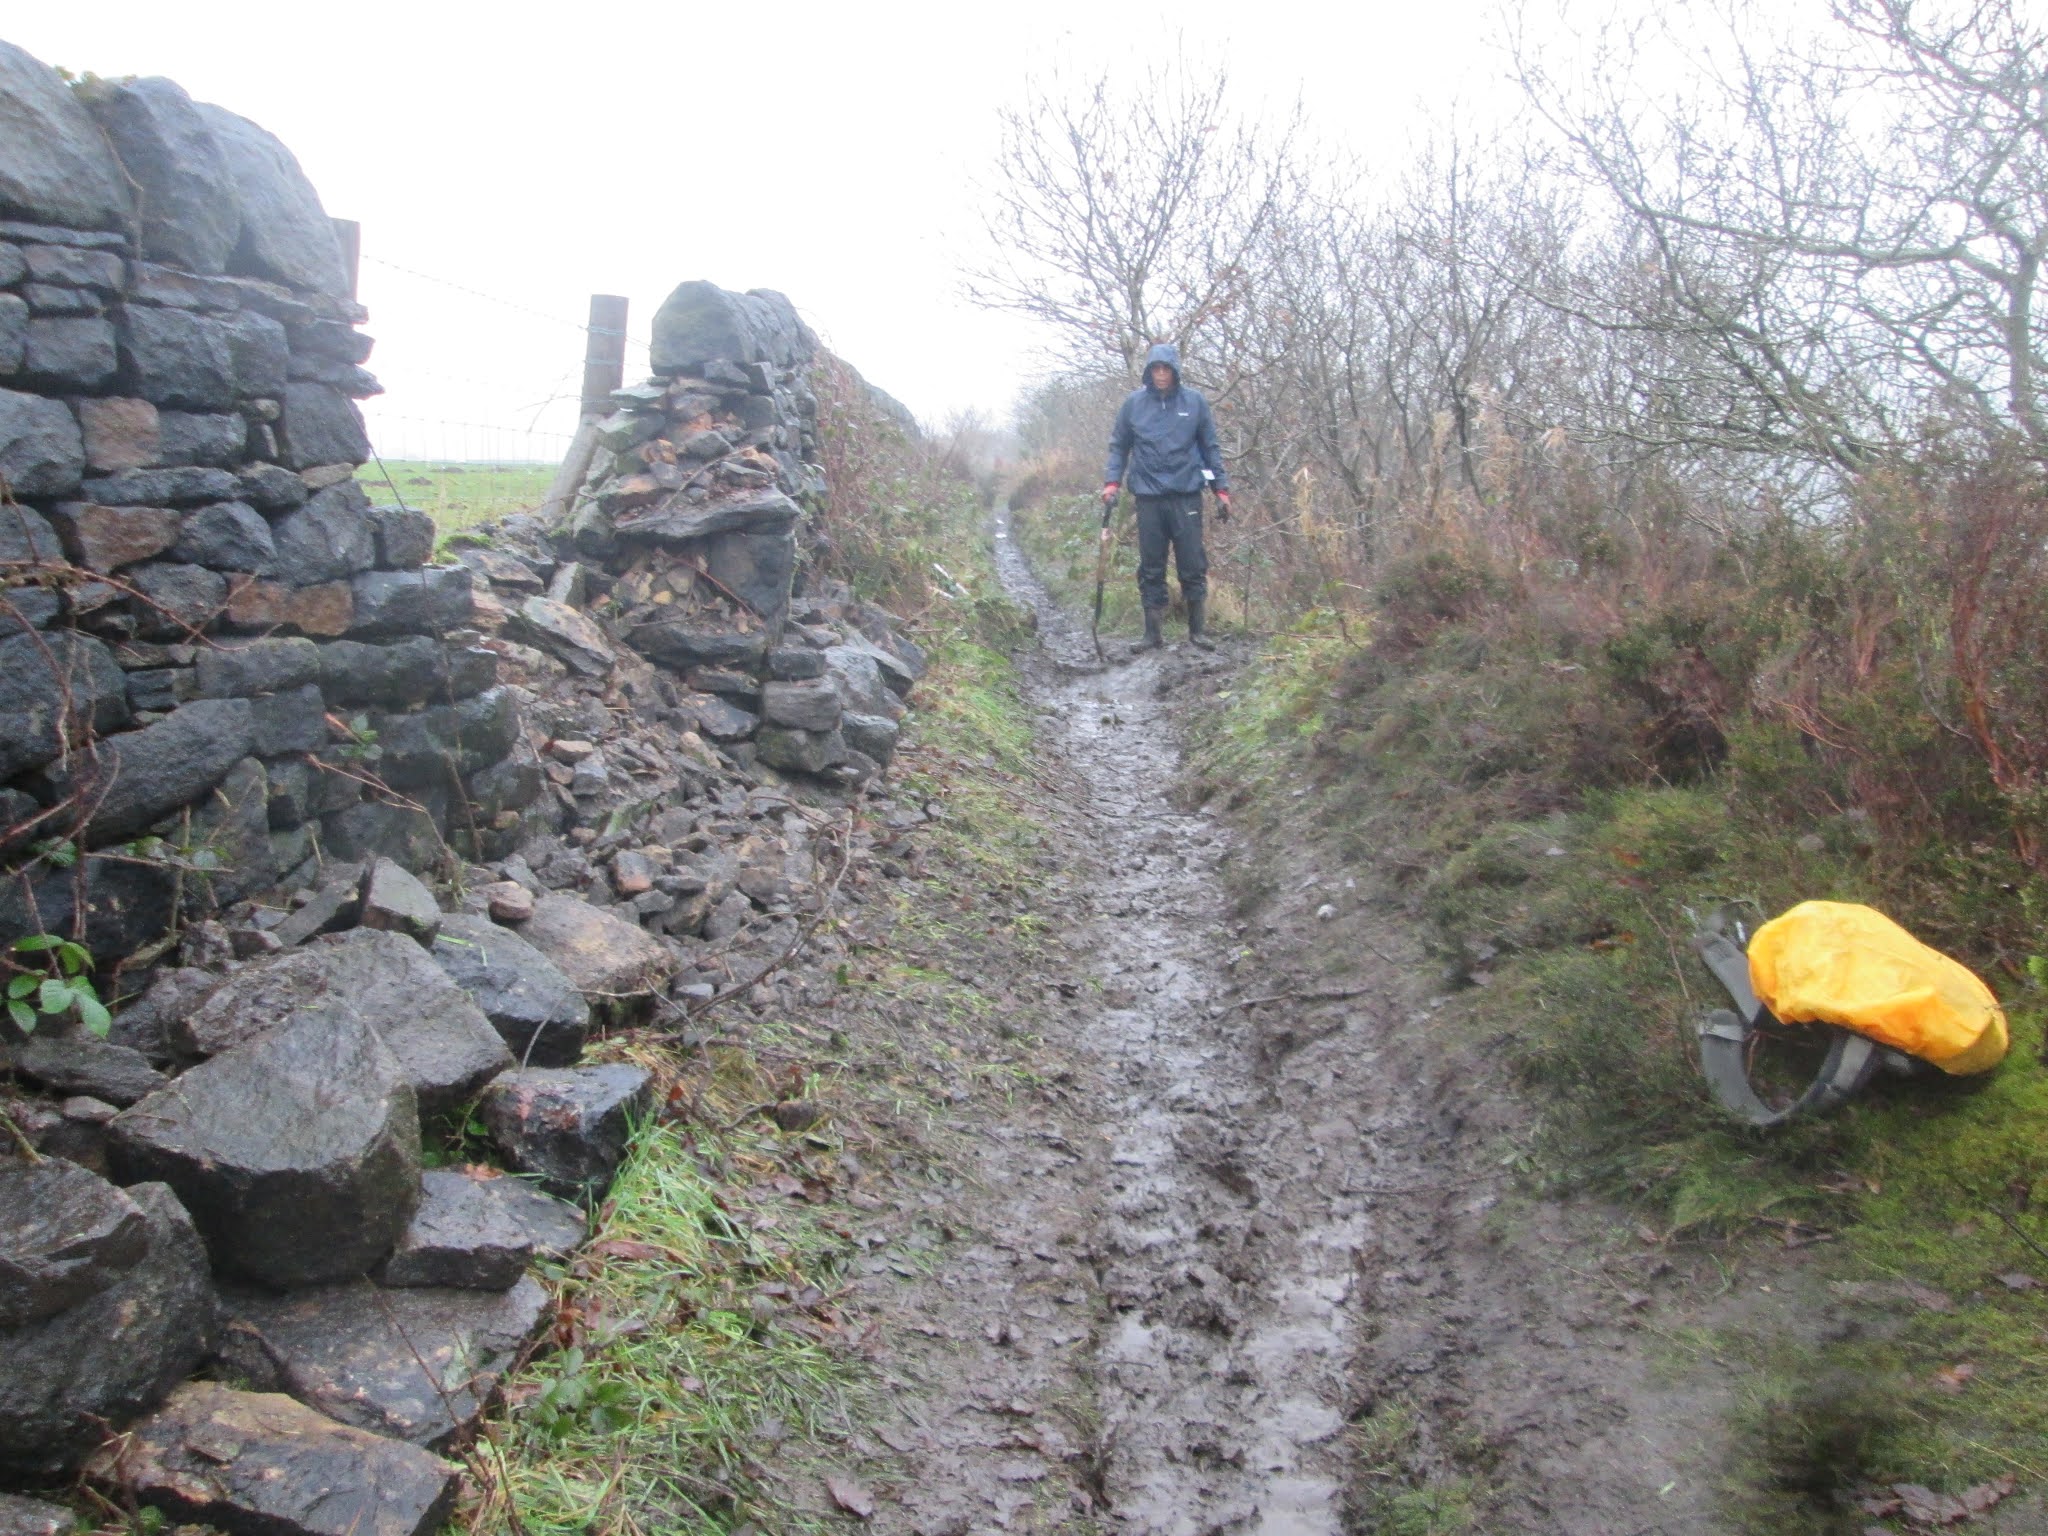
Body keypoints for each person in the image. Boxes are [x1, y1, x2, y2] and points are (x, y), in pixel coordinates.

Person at [1102, 342, 1231, 651]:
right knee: (1150, 566)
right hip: (1148, 497)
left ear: (1175, 371)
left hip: (1186, 494)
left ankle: (1197, 632)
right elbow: (1119, 446)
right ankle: (1152, 634)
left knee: (1192, 563)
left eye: (1166, 369)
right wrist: (1112, 483)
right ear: (1149, 372)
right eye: (1156, 369)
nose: (1161, 375)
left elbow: (1210, 448)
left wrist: (1221, 490)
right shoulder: (1134, 404)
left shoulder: (1195, 403)